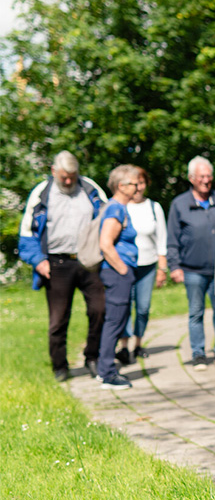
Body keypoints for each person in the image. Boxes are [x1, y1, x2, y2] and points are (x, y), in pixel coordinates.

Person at [18, 151, 106, 381]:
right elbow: (26, 233)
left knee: (99, 310)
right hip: (56, 264)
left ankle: (93, 357)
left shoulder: (90, 189)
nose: (68, 181)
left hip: (89, 262)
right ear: (53, 171)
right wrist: (38, 260)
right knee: (58, 319)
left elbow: (109, 220)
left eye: (72, 176)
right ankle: (60, 366)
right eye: (64, 177)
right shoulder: (41, 193)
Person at [168, 157, 215, 371]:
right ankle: (198, 353)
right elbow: (172, 239)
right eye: (201, 176)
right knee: (196, 312)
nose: (206, 180)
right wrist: (174, 266)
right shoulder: (179, 204)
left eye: (209, 176)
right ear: (191, 178)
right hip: (192, 270)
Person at [96, 165, 142, 389]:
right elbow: (105, 244)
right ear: (121, 186)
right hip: (116, 273)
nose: (138, 187)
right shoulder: (116, 209)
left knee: (117, 321)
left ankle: (105, 369)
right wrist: (123, 271)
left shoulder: (119, 208)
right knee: (115, 322)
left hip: (118, 273)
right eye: (134, 183)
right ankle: (106, 373)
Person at [115, 167, 168, 365]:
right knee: (125, 306)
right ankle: (124, 346)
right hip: (125, 265)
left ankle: (138, 343)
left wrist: (162, 268)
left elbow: (162, 239)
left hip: (148, 265)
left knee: (143, 307)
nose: (138, 187)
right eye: (134, 183)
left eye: (141, 183)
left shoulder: (154, 207)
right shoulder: (122, 207)